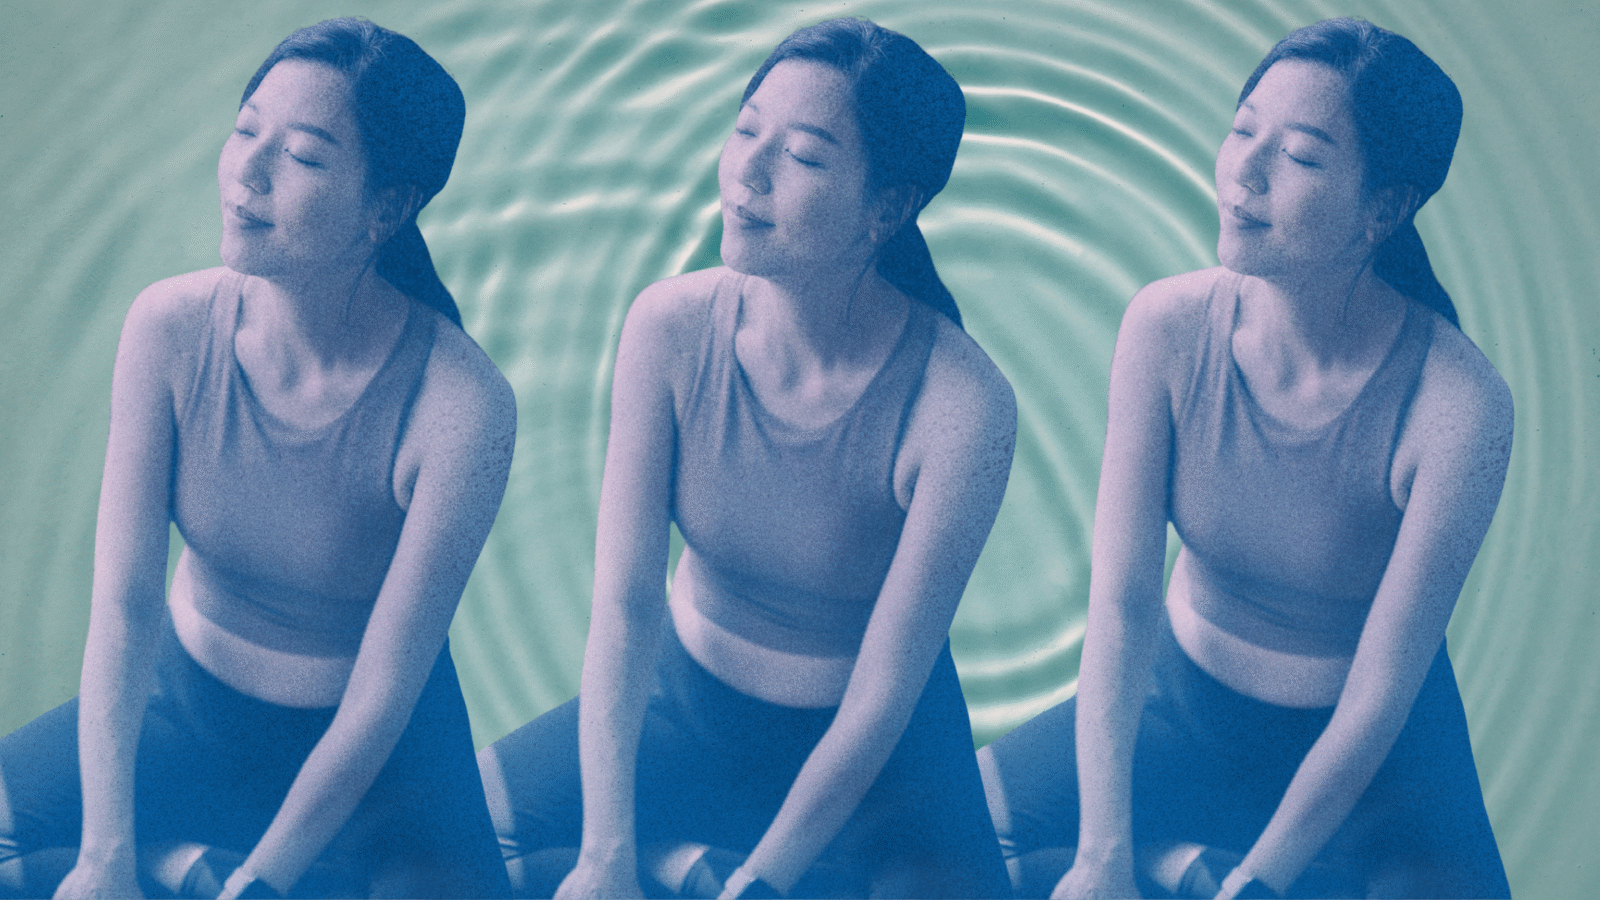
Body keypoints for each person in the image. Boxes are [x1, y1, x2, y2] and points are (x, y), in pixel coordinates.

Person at [477, 17, 1015, 900]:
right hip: (682, 707)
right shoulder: (671, 326)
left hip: (878, 763)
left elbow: (884, 694)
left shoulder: (962, 404)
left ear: (888, 207)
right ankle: (676, 863)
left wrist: (763, 881)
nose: (748, 176)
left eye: (803, 157)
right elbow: (622, 605)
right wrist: (607, 853)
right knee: (467, 842)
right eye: (744, 131)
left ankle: (707, 868)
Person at [978, 17, 1512, 900]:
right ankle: (1173, 863)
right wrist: (1104, 855)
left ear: (1385, 207)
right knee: (950, 840)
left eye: (1300, 157)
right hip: (1178, 709)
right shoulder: (1168, 325)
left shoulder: (1459, 406)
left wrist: (1260, 882)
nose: (1245, 175)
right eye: (1241, 132)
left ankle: (1206, 868)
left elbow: (1381, 694)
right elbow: (1119, 605)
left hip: (1374, 766)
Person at [0, 18, 515, 899]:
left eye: (306, 157)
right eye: (246, 132)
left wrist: (265, 883)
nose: (249, 171)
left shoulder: (460, 404)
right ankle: (180, 863)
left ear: (385, 208)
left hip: (379, 766)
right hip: (183, 706)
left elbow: (385, 691)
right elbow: (124, 607)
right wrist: (105, 854)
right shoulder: (167, 327)